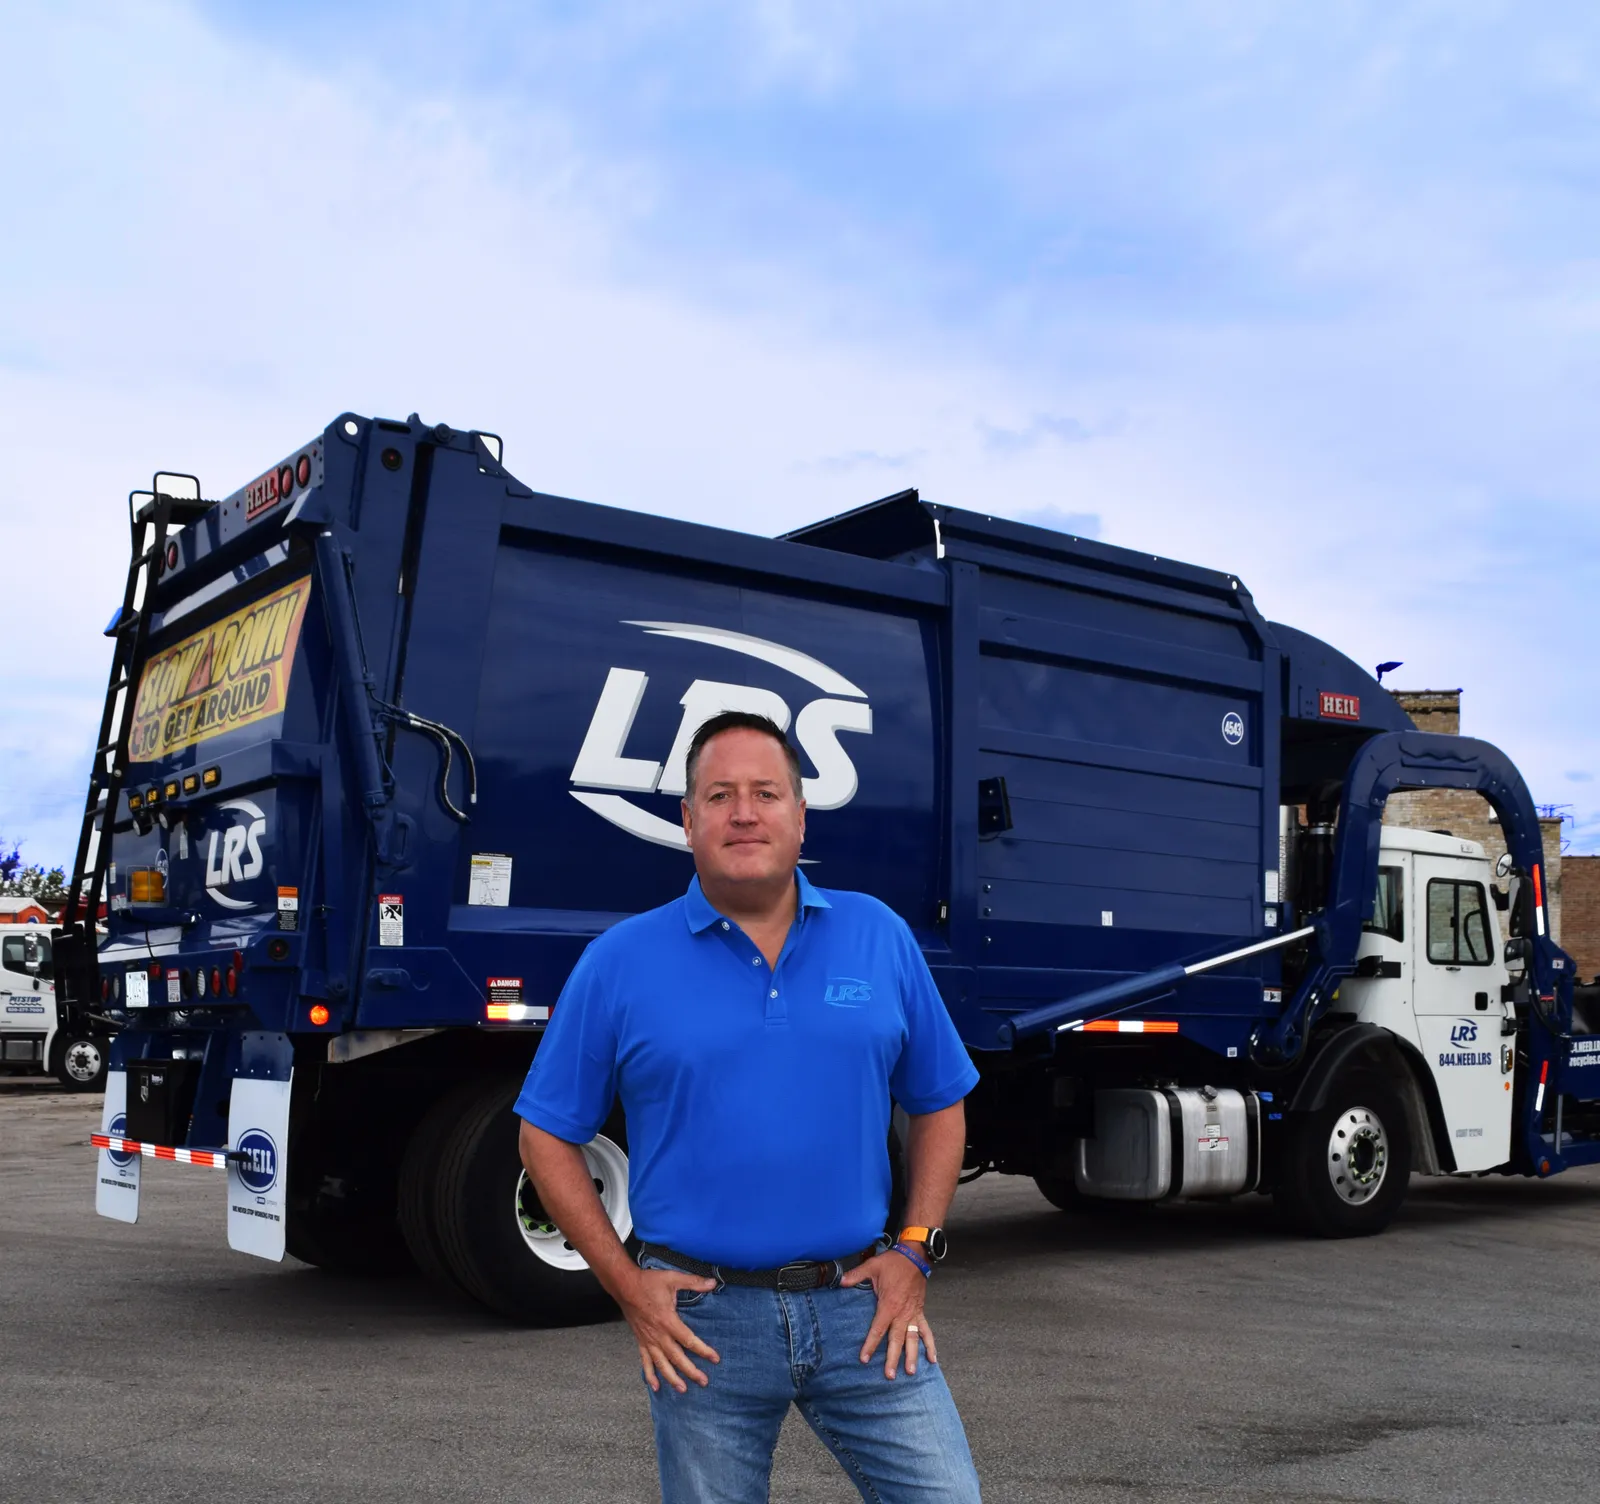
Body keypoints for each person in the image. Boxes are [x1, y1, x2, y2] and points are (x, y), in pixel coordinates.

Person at [517, 709, 983, 1503]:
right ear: (688, 821)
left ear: (800, 818)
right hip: (701, 1325)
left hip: (863, 1311)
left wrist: (914, 1252)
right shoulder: (619, 963)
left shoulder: (879, 936)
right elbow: (545, 1136)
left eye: (766, 792)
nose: (743, 812)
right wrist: (627, 1286)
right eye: (720, 794)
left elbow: (940, 1103)